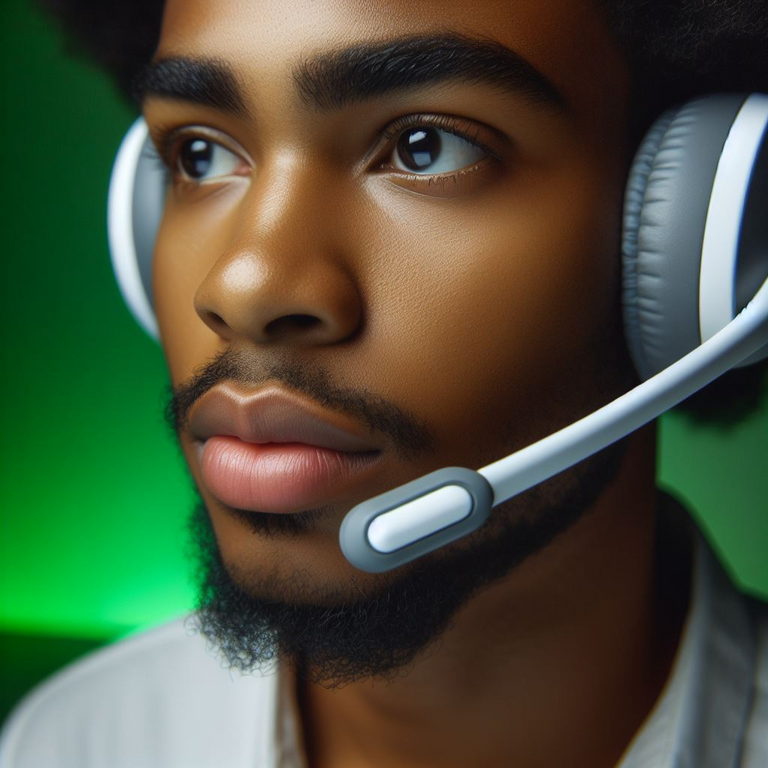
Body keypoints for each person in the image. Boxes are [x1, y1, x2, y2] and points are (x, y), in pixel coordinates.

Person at [1, 0, 767, 766]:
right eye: (200, 155)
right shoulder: (70, 743)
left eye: (424, 147)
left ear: (710, 235)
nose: (244, 285)